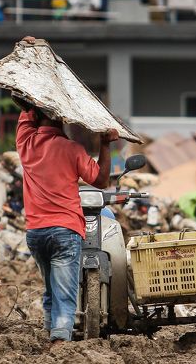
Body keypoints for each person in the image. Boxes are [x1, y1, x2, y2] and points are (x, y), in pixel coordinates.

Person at [13, 93, 119, 344]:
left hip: (35, 233)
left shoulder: (25, 143)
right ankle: (60, 340)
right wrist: (105, 144)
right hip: (64, 230)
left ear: (37, 115)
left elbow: (27, 113)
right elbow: (101, 180)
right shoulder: (72, 149)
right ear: (62, 118)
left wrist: (34, 103)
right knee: (64, 293)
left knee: (51, 288)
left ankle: (49, 332)